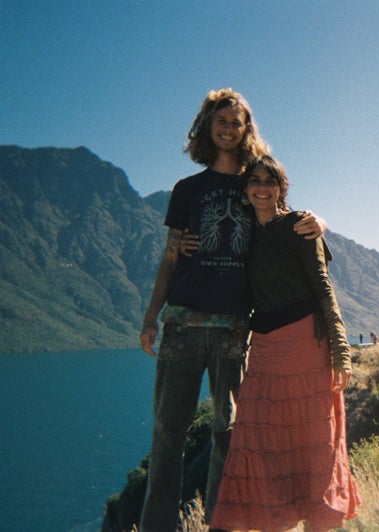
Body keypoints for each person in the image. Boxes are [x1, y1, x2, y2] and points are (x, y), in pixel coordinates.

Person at [138, 88, 326, 531]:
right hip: (182, 323)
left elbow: (287, 222)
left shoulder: (254, 183)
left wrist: (320, 220)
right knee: (167, 432)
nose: (227, 129)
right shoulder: (187, 190)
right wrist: (150, 317)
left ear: (246, 130)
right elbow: (170, 258)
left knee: (229, 432)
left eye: (235, 123)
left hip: (234, 329)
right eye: (220, 121)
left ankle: (221, 525)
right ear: (207, 127)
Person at [210, 155, 360, 531]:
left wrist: (341, 351)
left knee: (315, 442)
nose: (262, 187)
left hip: (306, 344)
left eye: (270, 181)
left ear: (282, 188)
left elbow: (323, 287)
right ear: (245, 189)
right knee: (262, 444)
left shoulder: (299, 226)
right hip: (264, 348)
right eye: (255, 180)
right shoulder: (242, 234)